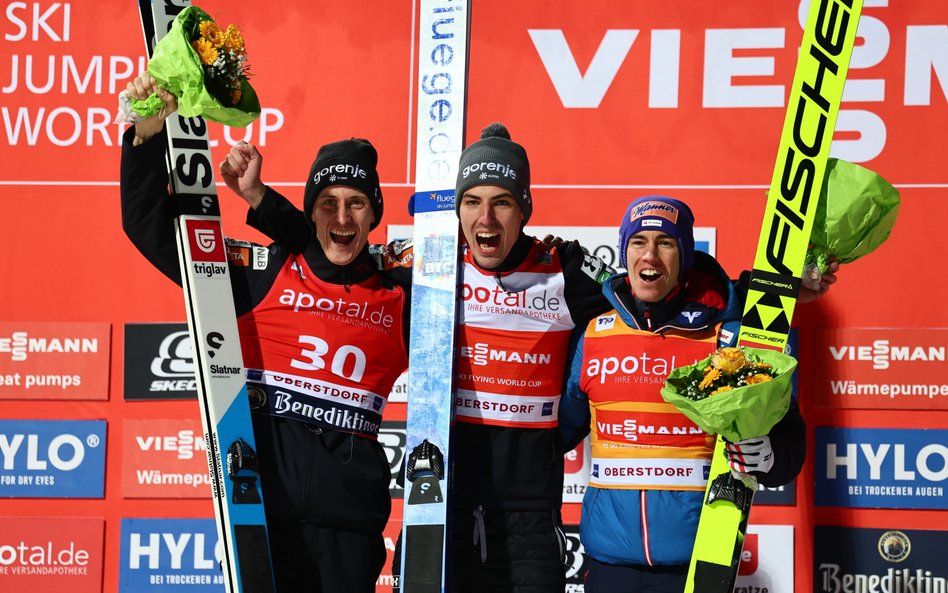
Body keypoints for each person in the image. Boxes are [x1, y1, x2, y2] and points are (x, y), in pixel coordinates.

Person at [241, 123, 616, 592]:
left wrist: (567, 420)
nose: (486, 219)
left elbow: (645, 303)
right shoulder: (425, 262)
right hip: (437, 504)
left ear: (524, 210)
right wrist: (262, 200)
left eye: (502, 202)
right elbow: (334, 246)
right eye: (472, 201)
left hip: (528, 521)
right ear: (457, 209)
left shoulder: (562, 269)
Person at [119, 74, 411, 593]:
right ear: (310, 209)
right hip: (260, 513)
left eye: (357, 204)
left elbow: (480, 274)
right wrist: (145, 140)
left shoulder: (400, 293)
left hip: (350, 526)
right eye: (327, 203)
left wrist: (266, 204)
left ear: (376, 214)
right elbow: (151, 228)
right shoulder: (261, 269)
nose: (341, 216)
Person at [558, 195, 838, 593]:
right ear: (625, 251)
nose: (650, 256)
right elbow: (555, 433)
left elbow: (787, 432)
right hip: (609, 566)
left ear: (686, 254)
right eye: (638, 242)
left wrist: (770, 456)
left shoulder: (726, 337)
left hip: (700, 562)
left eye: (665, 243)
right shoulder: (594, 334)